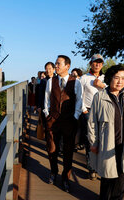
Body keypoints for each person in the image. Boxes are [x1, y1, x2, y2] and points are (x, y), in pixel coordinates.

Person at [88, 65, 124, 200]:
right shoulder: (100, 97)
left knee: (121, 183)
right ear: (110, 78)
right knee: (107, 180)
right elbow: (92, 122)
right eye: (117, 78)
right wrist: (94, 142)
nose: (120, 81)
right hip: (107, 145)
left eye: (123, 78)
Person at [43, 55, 82, 192]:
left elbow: (79, 101)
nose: (56, 66)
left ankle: (66, 177)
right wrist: (47, 114)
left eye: (58, 64)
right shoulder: (51, 81)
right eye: (56, 64)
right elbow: (47, 98)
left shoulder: (76, 82)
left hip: (69, 121)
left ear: (67, 66)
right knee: (52, 149)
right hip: (52, 120)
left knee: (68, 151)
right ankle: (53, 171)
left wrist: (75, 116)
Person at [79, 54, 106, 180]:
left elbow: (114, 92)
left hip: (104, 112)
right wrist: (84, 109)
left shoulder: (106, 78)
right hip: (89, 111)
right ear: (91, 63)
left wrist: (102, 86)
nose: (97, 65)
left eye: (100, 62)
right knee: (90, 140)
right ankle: (92, 168)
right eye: (95, 62)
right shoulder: (84, 78)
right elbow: (79, 95)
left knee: (103, 140)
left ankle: (101, 166)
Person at [37, 63, 55, 141]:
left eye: (50, 68)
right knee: (47, 127)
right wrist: (39, 106)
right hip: (46, 107)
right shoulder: (43, 81)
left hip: (55, 107)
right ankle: (49, 144)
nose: (48, 70)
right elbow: (40, 95)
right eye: (46, 69)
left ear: (54, 69)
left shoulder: (58, 80)